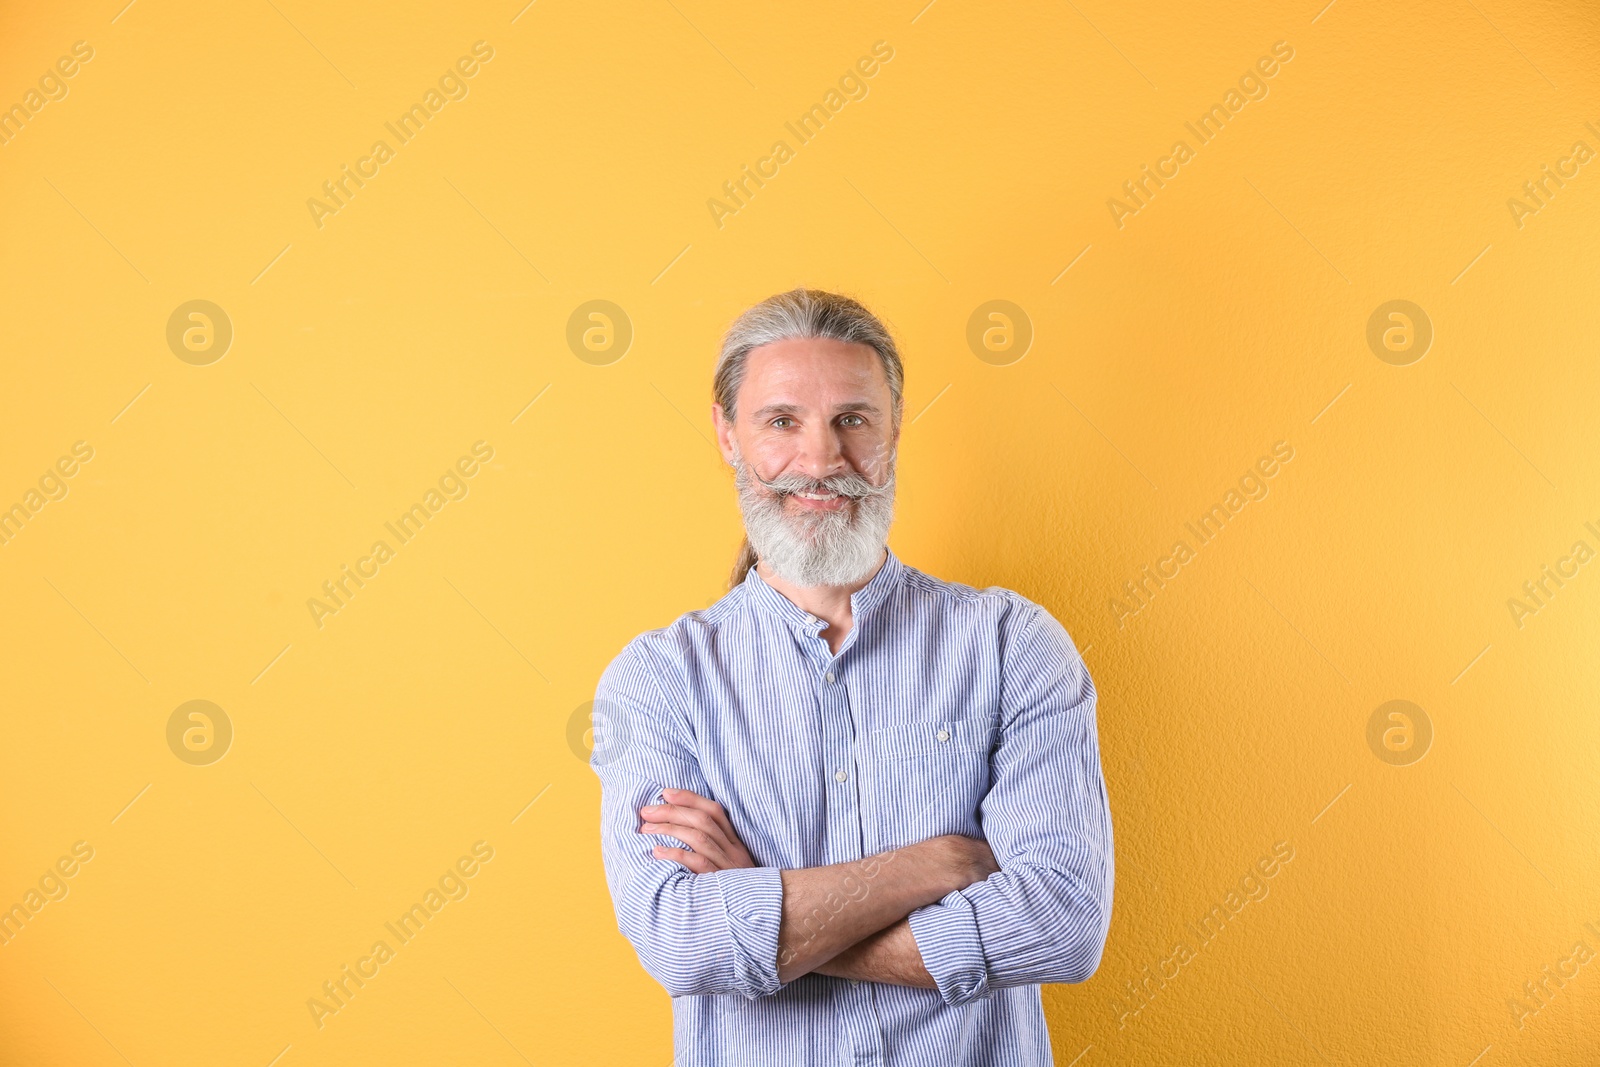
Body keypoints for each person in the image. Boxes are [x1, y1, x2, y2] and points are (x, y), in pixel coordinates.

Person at [589, 288, 1114, 1065]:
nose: (822, 461)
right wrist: (933, 865)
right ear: (728, 435)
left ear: (895, 428)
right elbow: (680, 939)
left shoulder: (1013, 645)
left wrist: (766, 903)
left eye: (852, 420)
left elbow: (1062, 922)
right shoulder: (659, 680)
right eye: (781, 421)